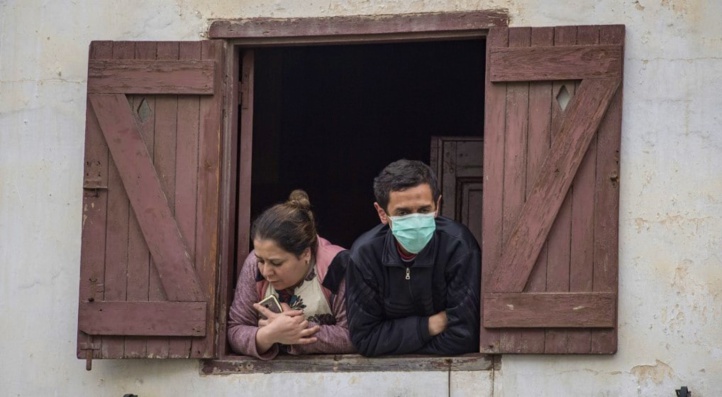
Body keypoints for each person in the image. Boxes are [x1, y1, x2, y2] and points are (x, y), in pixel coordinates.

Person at [345, 159, 481, 356]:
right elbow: (365, 339)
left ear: (438, 205)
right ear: (382, 213)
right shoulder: (364, 255)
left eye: (424, 210)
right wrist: (430, 326)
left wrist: (394, 344)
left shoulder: (458, 246)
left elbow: (465, 336)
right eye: (403, 213)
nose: (415, 220)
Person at [228, 190, 355, 359]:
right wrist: (268, 336)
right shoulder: (254, 264)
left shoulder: (337, 267)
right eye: (261, 260)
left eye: (276, 263)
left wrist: (296, 332)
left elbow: (355, 335)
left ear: (305, 254)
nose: (266, 271)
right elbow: (235, 328)